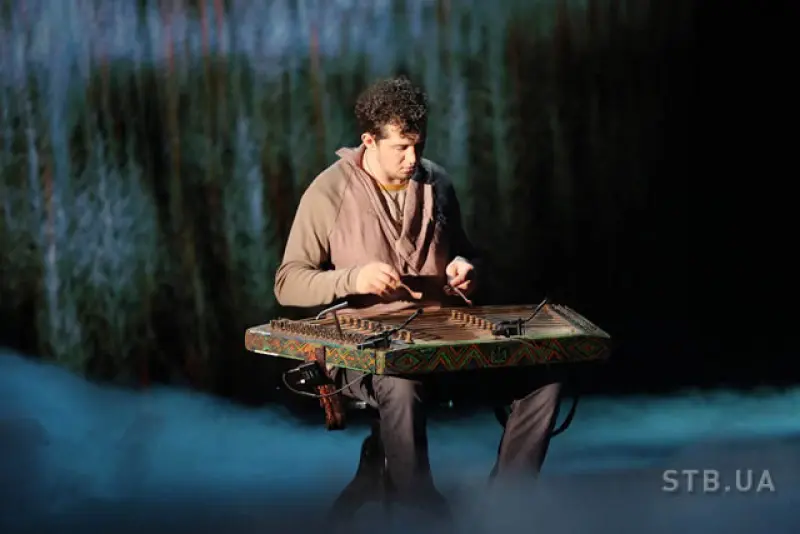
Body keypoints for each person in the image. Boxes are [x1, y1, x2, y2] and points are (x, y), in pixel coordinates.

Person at [274, 76, 562, 517]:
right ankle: (419, 508)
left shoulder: (437, 182)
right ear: (369, 141)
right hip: (365, 349)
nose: (413, 159)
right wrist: (353, 279)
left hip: (440, 337)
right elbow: (288, 282)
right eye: (401, 148)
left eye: (419, 145)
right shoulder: (329, 192)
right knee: (400, 383)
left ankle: (508, 500)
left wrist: (467, 270)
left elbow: (468, 252)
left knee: (543, 378)